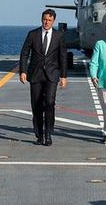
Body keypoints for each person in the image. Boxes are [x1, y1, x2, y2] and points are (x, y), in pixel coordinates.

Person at [19, 9, 68, 146]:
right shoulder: (32, 34)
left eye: (49, 20)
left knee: (50, 103)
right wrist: (23, 71)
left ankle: (48, 133)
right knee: (36, 105)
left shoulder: (59, 36)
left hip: (52, 74)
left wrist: (63, 76)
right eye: (45, 19)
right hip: (35, 75)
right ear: (42, 19)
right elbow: (24, 53)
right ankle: (39, 134)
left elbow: (62, 56)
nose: (46, 22)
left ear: (54, 21)